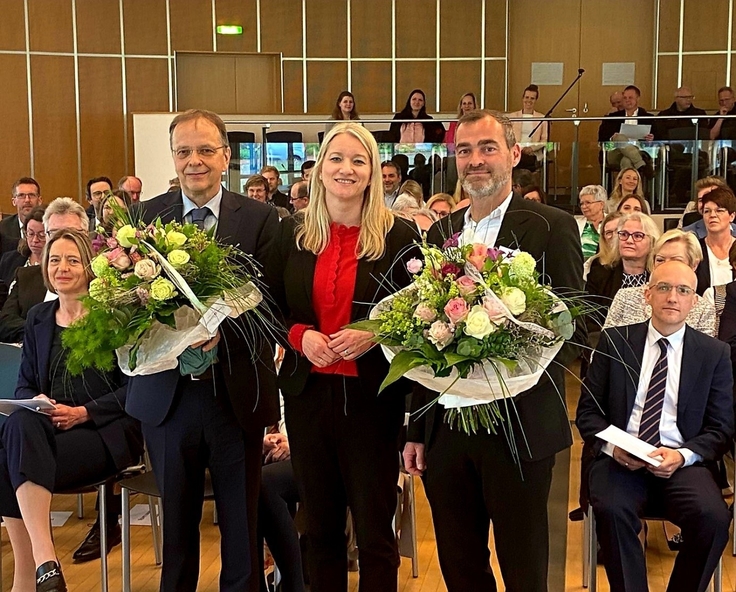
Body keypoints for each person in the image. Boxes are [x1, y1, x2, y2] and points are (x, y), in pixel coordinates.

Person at [403, 110, 584, 592]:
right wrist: (416, 429)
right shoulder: (440, 235)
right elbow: (419, 337)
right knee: (459, 563)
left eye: (487, 148)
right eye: (465, 150)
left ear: (513, 154)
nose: (475, 160)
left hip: (518, 425)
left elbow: (576, 324)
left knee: (524, 566)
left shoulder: (551, 225)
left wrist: (507, 340)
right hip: (447, 428)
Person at [126, 108, 280, 592]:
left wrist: (221, 333)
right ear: (173, 158)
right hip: (167, 399)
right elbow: (123, 307)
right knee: (175, 529)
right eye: (184, 151)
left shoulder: (259, 218)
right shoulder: (143, 220)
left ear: (226, 156)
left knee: (241, 524)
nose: (195, 161)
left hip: (234, 393)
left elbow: (272, 306)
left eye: (206, 150)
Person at [268, 122, 418, 591]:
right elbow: (265, 307)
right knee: (319, 528)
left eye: (359, 160)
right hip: (309, 394)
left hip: (373, 399)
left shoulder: (401, 236)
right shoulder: (290, 233)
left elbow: (420, 313)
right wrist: (299, 336)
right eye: (336, 158)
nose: (346, 169)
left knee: (375, 532)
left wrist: (375, 331)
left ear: (374, 172)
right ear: (319, 169)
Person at [576, 260, 733, 592]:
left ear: (694, 301)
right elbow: (588, 413)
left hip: (682, 463)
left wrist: (684, 456)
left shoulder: (713, 354)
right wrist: (613, 448)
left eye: (682, 290)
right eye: (663, 287)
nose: (672, 297)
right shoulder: (615, 342)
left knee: (715, 518)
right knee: (612, 508)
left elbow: (720, 428)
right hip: (621, 460)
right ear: (648, 295)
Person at [0, 228, 143, 592]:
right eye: (54, 260)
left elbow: (138, 389)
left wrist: (84, 412)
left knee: (7, 462)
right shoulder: (38, 317)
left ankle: (27, 577)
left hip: (103, 433)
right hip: (46, 431)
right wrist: (40, 404)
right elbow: (24, 386)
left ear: (89, 267)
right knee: (17, 426)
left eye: (72, 260)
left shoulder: (115, 316)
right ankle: (45, 564)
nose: (62, 267)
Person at [0, 197, 90, 345]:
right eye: (55, 233)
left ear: (86, 235)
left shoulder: (104, 281)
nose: (62, 240)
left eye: (71, 233)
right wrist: (43, 331)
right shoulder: (26, 276)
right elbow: (5, 323)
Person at [604, 229, 715, 336]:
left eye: (675, 260)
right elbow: (606, 347)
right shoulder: (625, 297)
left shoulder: (704, 309)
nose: (666, 266)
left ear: (693, 265)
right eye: (660, 260)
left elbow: (703, 352)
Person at [598, 85, 655, 178]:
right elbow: (601, 138)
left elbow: (659, 137)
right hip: (615, 152)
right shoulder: (613, 117)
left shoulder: (648, 118)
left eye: (630, 98)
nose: (627, 100)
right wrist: (612, 137)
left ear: (637, 99)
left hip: (639, 150)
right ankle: (641, 164)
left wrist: (651, 138)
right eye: (625, 98)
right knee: (619, 137)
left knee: (627, 161)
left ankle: (628, 192)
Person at [0, 205, 45, 309]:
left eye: (41, 235)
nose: (35, 240)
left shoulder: (54, 265)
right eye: (30, 234)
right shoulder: (9, 260)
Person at [695, 187, 736, 295]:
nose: (712, 215)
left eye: (719, 211)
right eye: (707, 211)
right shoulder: (695, 249)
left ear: (732, 216)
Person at [507, 84, 549, 170]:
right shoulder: (512, 117)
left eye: (532, 98)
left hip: (532, 153)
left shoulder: (542, 118)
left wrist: (531, 148)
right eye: (527, 97)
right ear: (523, 98)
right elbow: (507, 136)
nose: (529, 100)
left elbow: (544, 140)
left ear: (536, 100)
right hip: (515, 151)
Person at [1, 177, 42, 255]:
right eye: (21, 195)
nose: (27, 200)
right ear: (14, 201)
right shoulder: (2, 228)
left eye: (31, 195)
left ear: (39, 200)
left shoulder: (47, 226)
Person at [576, 185, 607, 260]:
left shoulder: (611, 222)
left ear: (601, 205)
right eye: (582, 203)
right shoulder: (575, 223)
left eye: (588, 202)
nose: (584, 206)